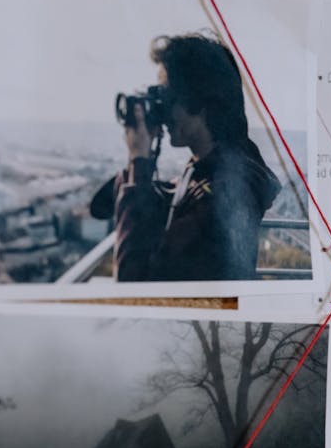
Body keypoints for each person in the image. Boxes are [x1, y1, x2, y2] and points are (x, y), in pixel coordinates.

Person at [92, 33, 280, 281]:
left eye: (167, 97)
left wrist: (139, 159)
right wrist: (139, 169)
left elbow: (133, 283)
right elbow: (100, 207)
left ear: (199, 101)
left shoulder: (225, 193)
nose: (162, 110)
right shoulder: (214, 169)